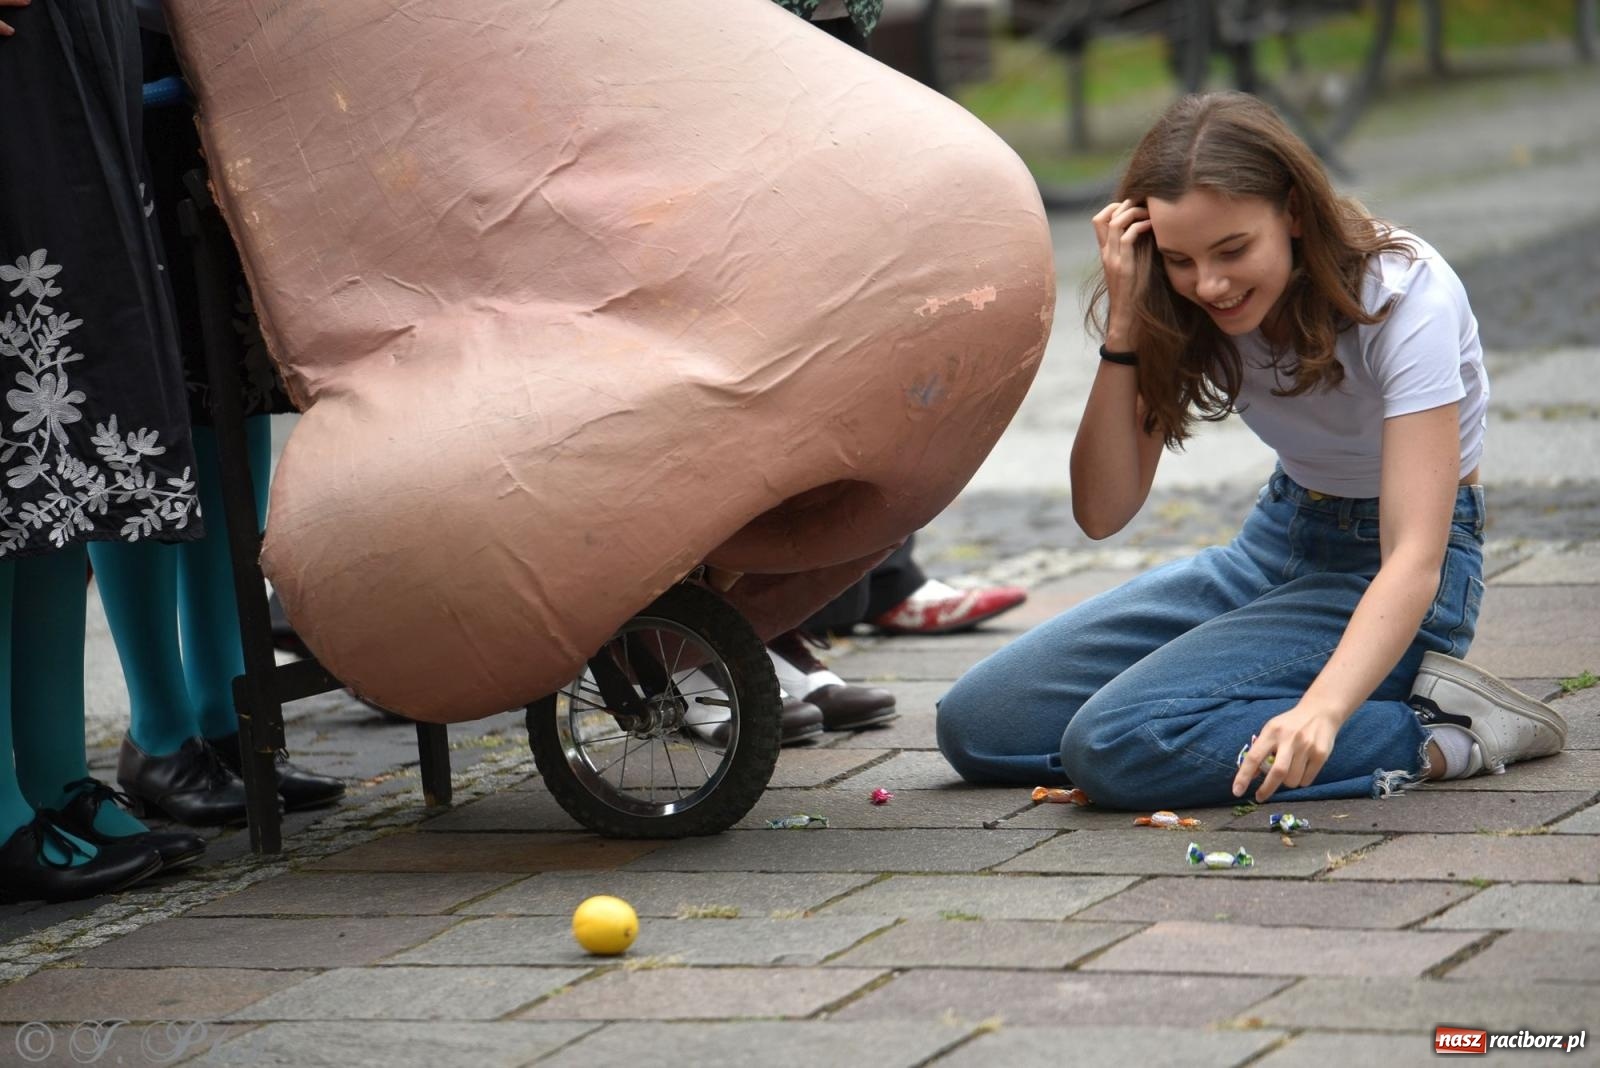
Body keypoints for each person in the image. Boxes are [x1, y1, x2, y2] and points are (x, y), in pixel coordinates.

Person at [936, 91, 1566, 811]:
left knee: (1107, 745)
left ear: (1294, 211)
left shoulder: (1402, 293)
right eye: (1178, 258)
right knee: (979, 725)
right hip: (1275, 543)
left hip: (1397, 570)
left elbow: (1414, 557)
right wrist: (1131, 317)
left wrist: (1325, 710)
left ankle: (1439, 728)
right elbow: (1104, 510)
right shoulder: (1179, 304)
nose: (1210, 284)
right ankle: (1185, 730)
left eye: (1233, 250)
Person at [86, 23, 345, 827]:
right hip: (110, 100)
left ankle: (229, 716)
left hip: (209, 100)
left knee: (227, 400)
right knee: (133, 424)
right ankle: (161, 733)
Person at [1, 0, 213, 902]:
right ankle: (5, 809)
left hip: (65, 50)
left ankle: (51, 782)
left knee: (61, 448)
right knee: (12, 432)